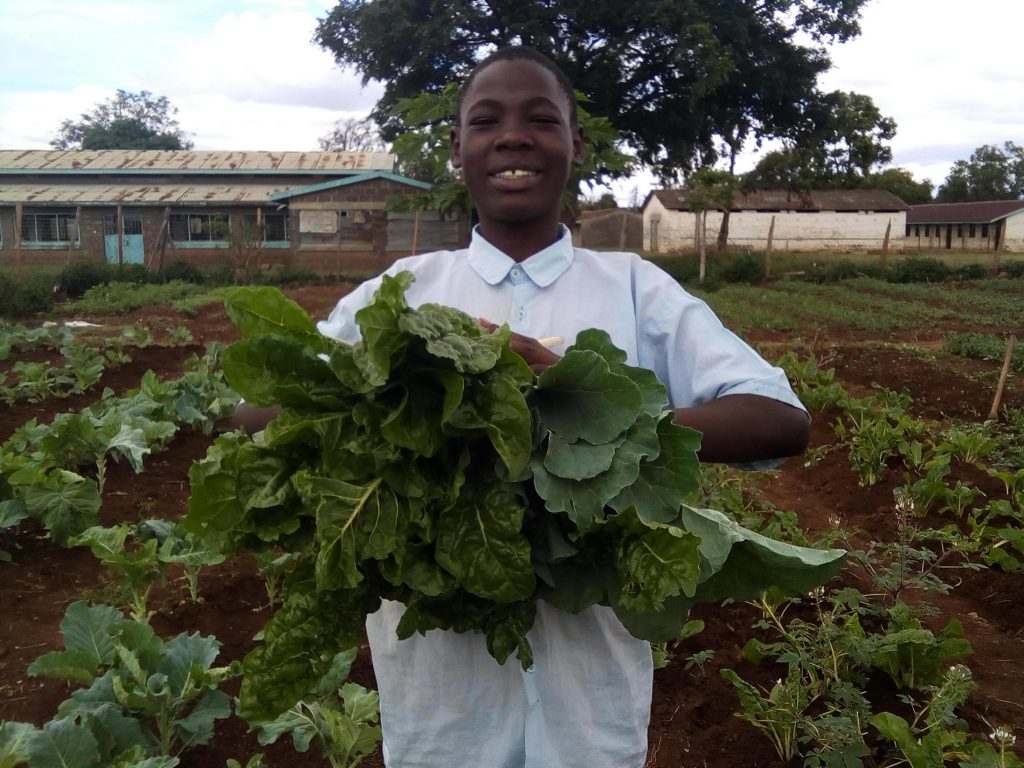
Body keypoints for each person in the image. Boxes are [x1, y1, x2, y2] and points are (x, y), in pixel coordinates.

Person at [240, 45, 809, 768]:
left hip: (589, 701)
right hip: (443, 704)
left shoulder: (635, 288)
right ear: (458, 148)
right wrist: (404, 396)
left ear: (576, 143)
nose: (513, 137)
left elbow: (780, 418)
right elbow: (256, 412)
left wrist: (577, 416)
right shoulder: (404, 293)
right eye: (486, 121)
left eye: (541, 119)